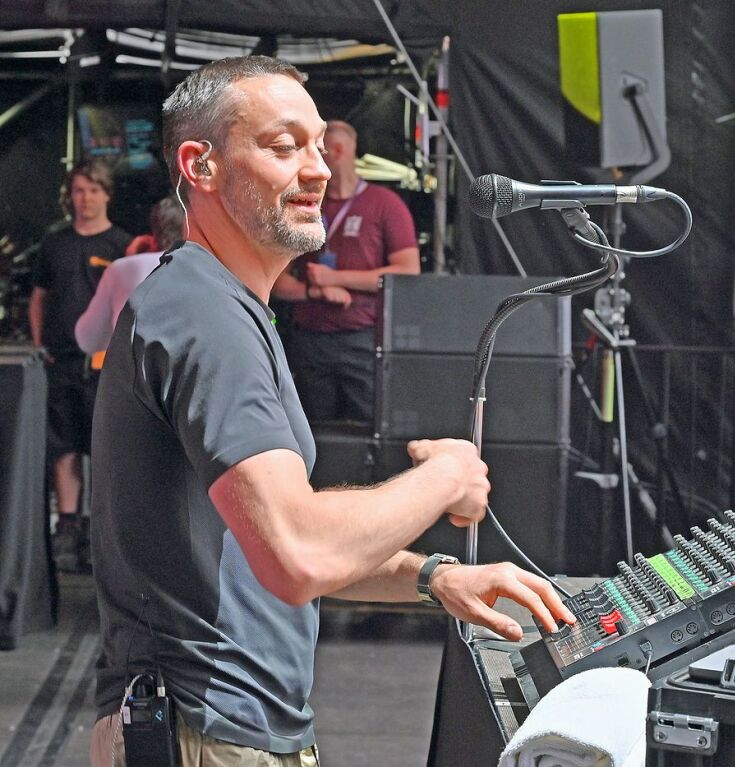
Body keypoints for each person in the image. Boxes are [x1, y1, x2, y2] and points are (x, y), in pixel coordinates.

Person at [88, 56, 573, 767]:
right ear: (202, 165)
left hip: (222, 733)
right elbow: (298, 550)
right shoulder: (205, 314)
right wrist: (446, 477)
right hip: (207, 735)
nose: (316, 169)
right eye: (284, 147)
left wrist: (432, 575)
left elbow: (267, 537)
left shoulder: (221, 305)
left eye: (318, 145)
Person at [272, 119, 420, 423]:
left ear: (337, 151)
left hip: (362, 338)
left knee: (367, 424)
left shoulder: (384, 204)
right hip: (310, 340)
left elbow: (407, 272)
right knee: (312, 429)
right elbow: (276, 280)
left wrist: (337, 279)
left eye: (318, 150)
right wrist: (316, 291)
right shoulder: (305, 203)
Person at [28, 159, 131, 572]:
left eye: (92, 190)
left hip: (105, 365)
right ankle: (67, 526)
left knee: (103, 447)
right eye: (78, 191)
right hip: (61, 360)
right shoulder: (54, 244)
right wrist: (40, 345)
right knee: (63, 444)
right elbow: (39, 297)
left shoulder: (122, 244)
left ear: (106, 194)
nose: (85, 199)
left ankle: (100, 528)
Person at [75, 196, 184, 355]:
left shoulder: (122, 269)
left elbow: (88, 340)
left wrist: (128, 261)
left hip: (138, 376)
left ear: (154, 231)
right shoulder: (212, 267)